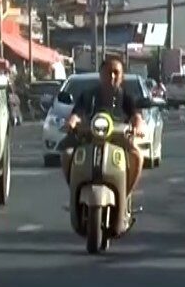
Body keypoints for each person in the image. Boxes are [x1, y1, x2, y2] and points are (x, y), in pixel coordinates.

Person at [61, 53, 144, 204]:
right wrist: (71, 123)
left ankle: (125, 194)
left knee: (137, 155)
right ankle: (75, 193)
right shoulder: (88, 95)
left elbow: (136, 116)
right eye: (108, 72)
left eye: (116, 73)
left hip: (118, 138)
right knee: (67, 154)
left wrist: (137, 128)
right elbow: (77, 114)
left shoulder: (126, 97)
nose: (112, 76)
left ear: (122, 77)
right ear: (101, 75)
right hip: (89, 137)